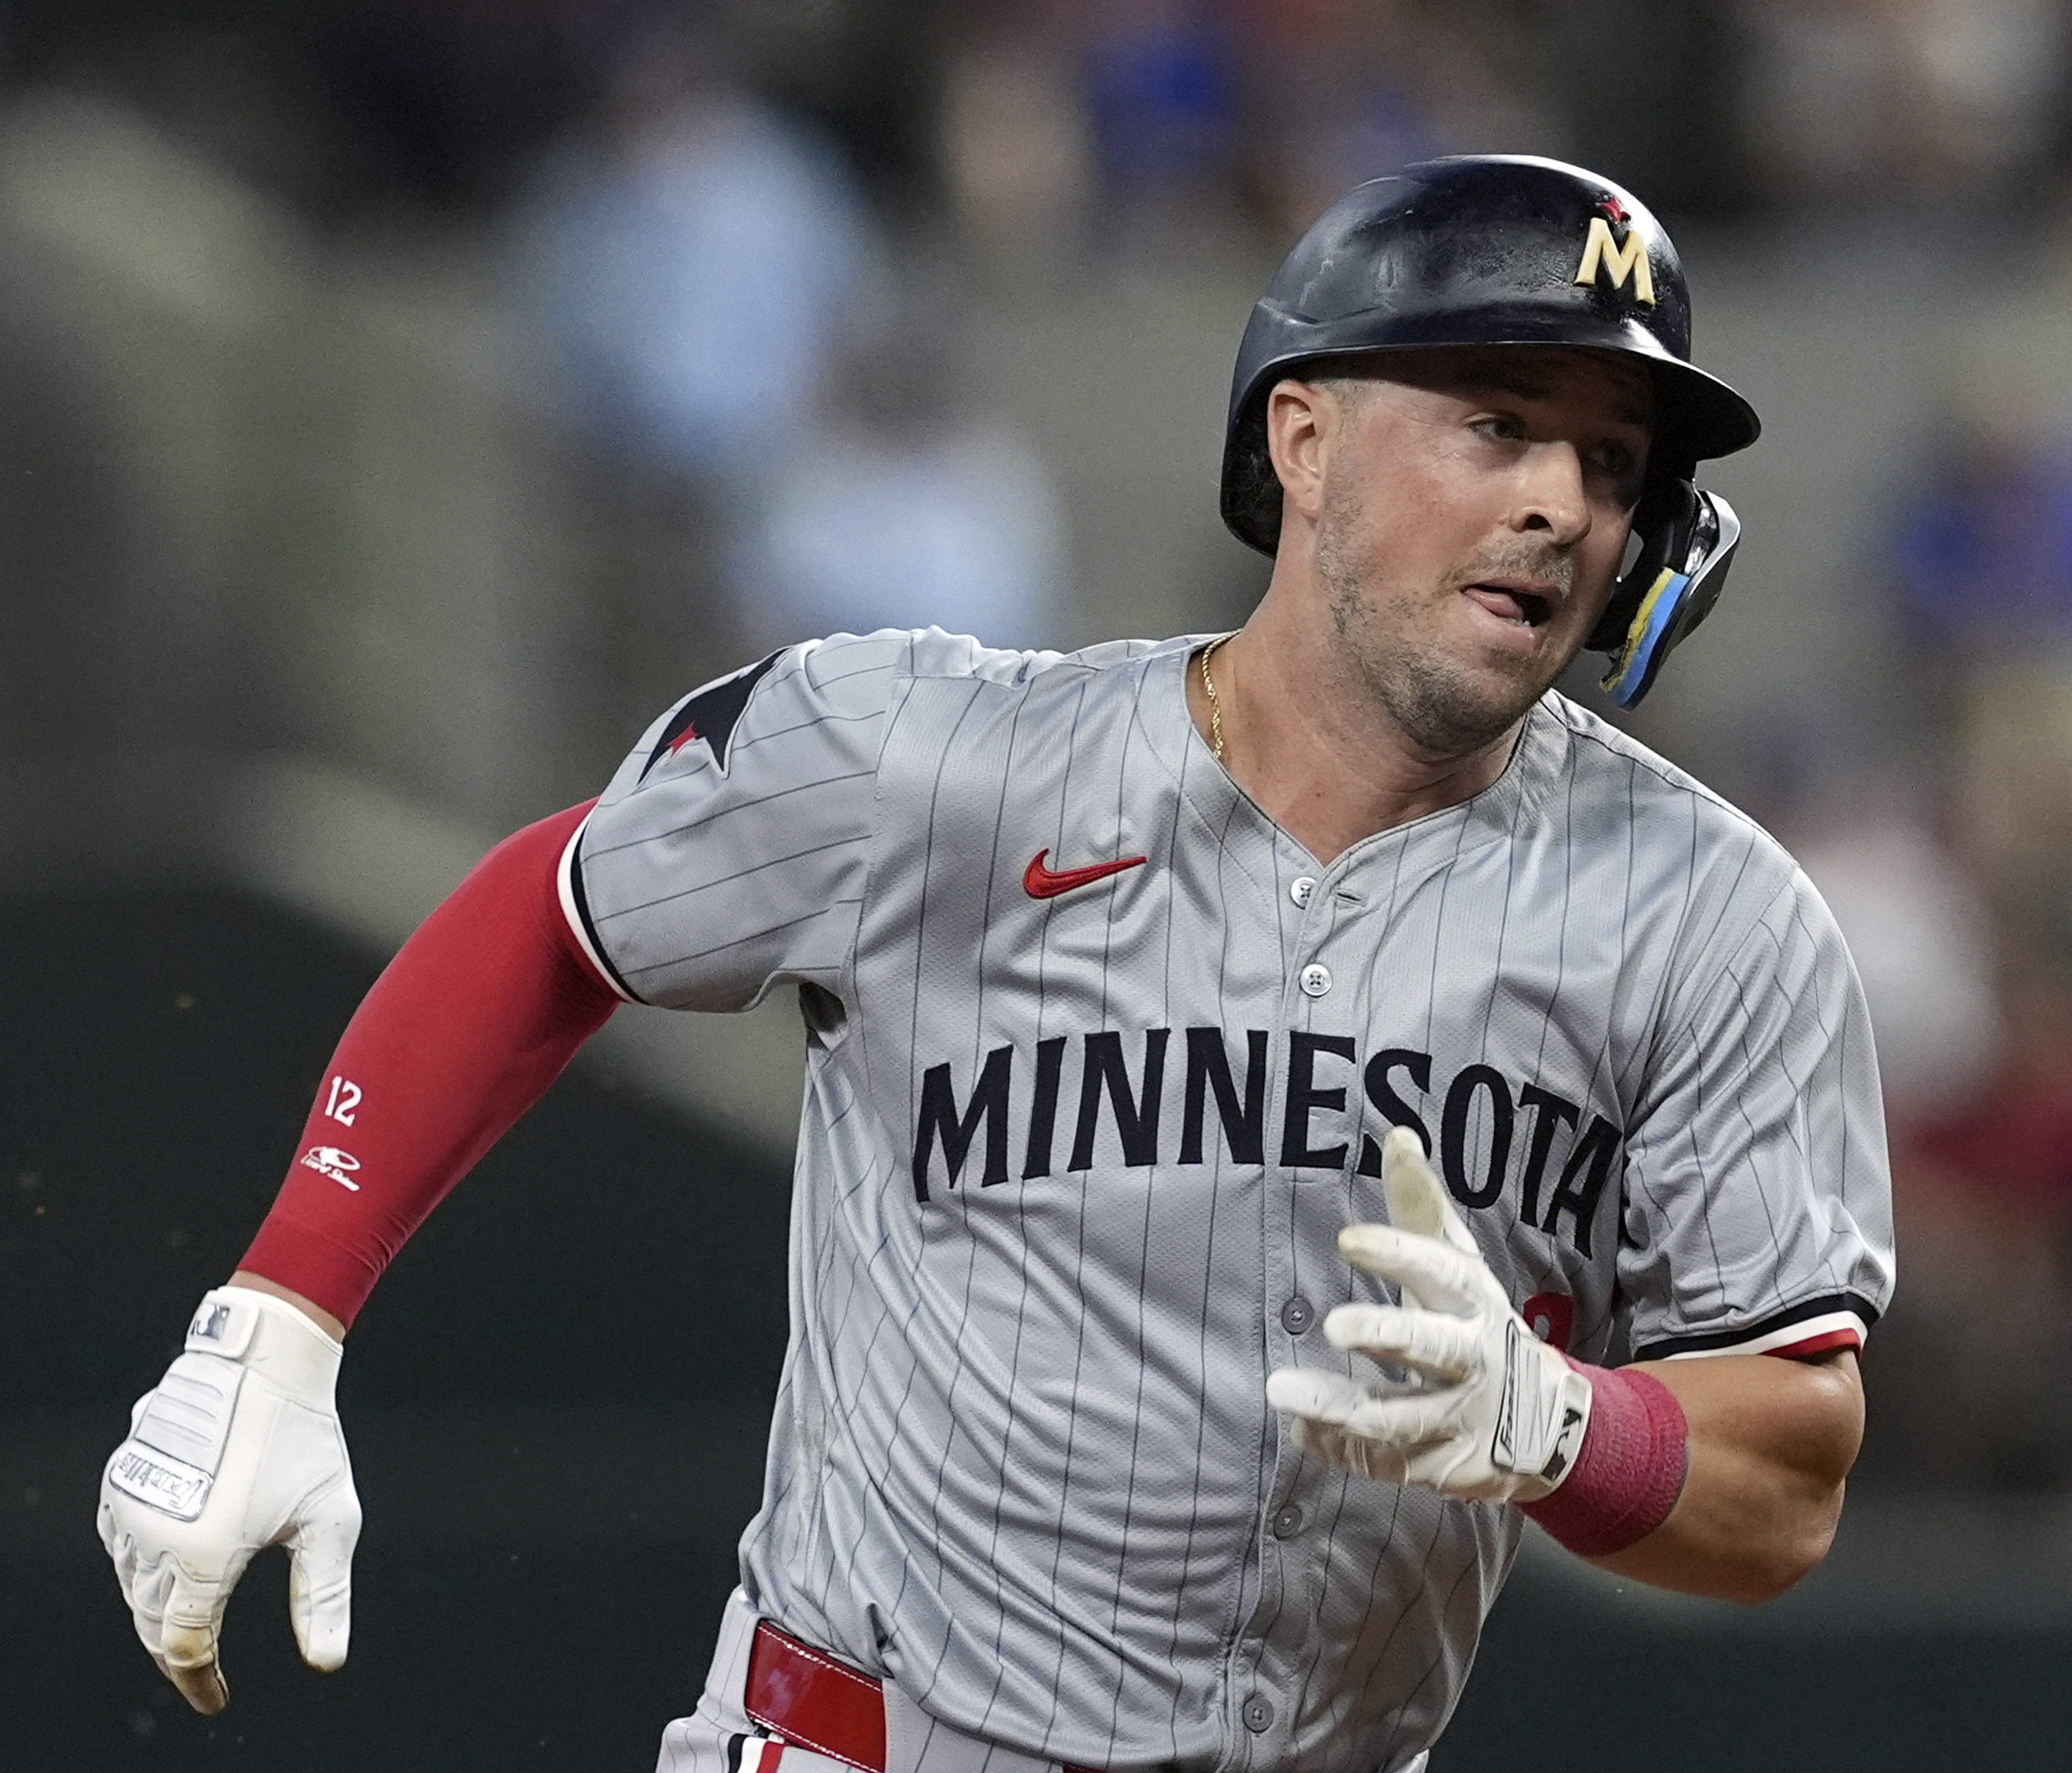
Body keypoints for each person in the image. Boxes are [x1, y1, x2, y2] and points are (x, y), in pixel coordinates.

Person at [98, 156, 1892, 1773]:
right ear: (1305, 439)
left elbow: (1790, 1475)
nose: (1562, 505)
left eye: (1611, 464)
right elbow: (561, 909)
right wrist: (278, 1313)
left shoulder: (1712, 921)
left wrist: (1563, 1426)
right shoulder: (932, 761)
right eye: (1501, 422)